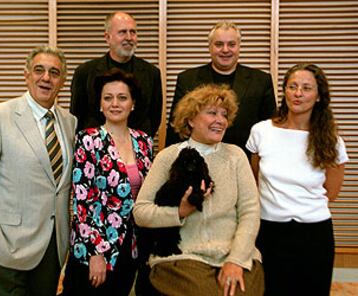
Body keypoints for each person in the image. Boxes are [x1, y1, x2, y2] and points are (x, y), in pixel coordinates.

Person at [0, 45, 77, 295]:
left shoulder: (69, 123)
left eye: (54, 72)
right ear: (26, 75)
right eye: (39, 70)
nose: (46, 78)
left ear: (63, 81)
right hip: (4, 247)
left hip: (52, 250)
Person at [134, 84, 264, 296]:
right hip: (183, 257)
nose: (220, 120)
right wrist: (180, 212)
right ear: (191, 119)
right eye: (212, 113)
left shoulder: (236, 156)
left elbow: (250, 211)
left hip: (234, 254)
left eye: (224, 115)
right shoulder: (168, 157)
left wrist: (236, 259)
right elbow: (141, 212)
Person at [246, 63, 348, 296]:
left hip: (314, 235)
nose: (298, 93)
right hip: (269, 231)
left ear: (319, 96)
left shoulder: (331, 141)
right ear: (284, 91)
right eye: (292, 86)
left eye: (306, 88)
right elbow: (254, 179)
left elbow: (331, 191)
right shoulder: (262, 131)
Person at [62, 68, 154, 296]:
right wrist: (96, 253)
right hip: (94, 247)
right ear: (100, 105)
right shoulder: (87, 139)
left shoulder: (144, 142)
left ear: (132, 104)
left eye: (122, 98)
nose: (115, 104)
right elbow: (82, 202)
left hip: (131, 245)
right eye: (108, 98)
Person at [165, 20, 276, 158]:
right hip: (197, 162)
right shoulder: (188, 79)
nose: (225, 50)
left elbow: (270, 130)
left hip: (244, 162)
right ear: (210, 47)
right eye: (219, 44)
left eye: (231, 44)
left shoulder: (261, 81)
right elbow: (176, 128)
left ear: (239, 47)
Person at [70, 11, 163, 138]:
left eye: (133, 32)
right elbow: (77, 116)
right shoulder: (85, 72)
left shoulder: (152, 73)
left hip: (138, 148)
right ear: (107, 37)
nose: (129, 38)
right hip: (95, 147)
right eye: (123, 32)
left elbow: (154, 117)